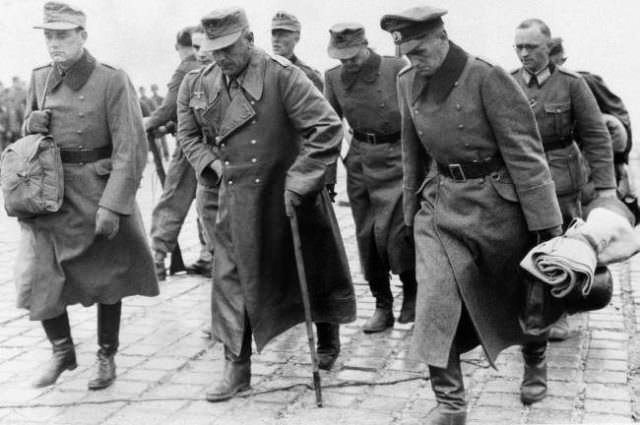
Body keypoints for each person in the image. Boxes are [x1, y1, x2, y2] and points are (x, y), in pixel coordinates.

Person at [381, 6, 563, 424]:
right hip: (440, 206)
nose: (415, 60)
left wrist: (546, 225)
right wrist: (410, 213)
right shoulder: (407, 80)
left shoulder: (486, 76)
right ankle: (451, 406)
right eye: (407, 53)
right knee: (434, 301)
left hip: (496, 205)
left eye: (421, 50)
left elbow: (525, 152)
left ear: (442, 37)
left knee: (523, 294)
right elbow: (412, 153)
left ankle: (535, 358)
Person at [177, 7, 356, 402]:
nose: (221, 57)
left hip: (287, 193)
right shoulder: (199, 83)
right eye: (214, 49)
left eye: (228, 48)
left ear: (249, 39)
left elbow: (326, 127)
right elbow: (187, 135)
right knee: (230, 280)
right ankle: (236, 368)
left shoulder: (282, 75)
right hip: (236, 199)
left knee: (309, 268)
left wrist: (301, 178)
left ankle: (327, 338)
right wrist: (213, 167)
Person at [18, 1, 158, 390]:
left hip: (98, 191)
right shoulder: (40, 78)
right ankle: (62, 350)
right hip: (54, 196)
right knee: (40, 276)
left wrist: (114, 204)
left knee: (109, 277)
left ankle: (106, 354)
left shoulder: (111, 79)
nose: (54, 43)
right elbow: (30, 144)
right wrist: (31, 124)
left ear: (82, 35)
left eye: (62, 34)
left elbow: (131, 147)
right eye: (49, 35)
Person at [511, 20, 616, 344]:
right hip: (521, 177)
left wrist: (606, 188)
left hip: (562, 178)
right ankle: (526, 311)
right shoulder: (507, 82)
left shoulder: (572, 84)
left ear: (548, 48)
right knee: (521, 243)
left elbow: (596, 136)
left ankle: (558, 314)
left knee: (562, 247)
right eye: (519, 47)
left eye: (531, 47)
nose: (524, 53)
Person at [324, 23, 417, 333]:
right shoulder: (333, 78)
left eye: (352, 55)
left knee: (397, 231)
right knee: (366, 235)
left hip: (396, 157)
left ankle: (411, 291)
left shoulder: (395, 68)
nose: (347, 63)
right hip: (361, 161)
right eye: (342, 57)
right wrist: (329, 178)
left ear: (366, 44)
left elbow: (416, 115)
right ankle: (382, 302)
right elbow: (328, 127)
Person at [145, 25, 213, 281]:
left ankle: (157, 259)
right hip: (216, 149)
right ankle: (210, 256)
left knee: (173, 199)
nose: (199, 53)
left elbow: (167, 108)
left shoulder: (187, 68)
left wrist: (149, 123)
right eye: (196, 47)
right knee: (209, 202)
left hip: (192, 148)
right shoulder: (220, 68)